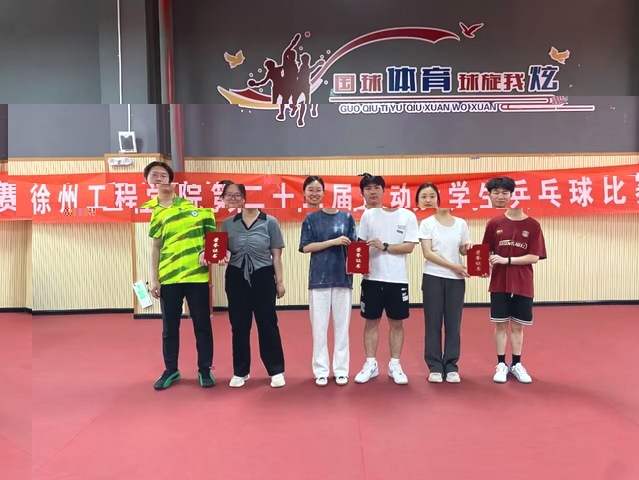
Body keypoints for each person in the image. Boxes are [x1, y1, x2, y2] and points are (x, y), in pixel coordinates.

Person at [141, 161, 216, 390]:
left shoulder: (192, 207)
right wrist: (154, 279)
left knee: (202, 326)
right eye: (155, 175)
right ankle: (171, 369)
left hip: (197, 276)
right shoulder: (155, 212)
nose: (160, 179)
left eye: (164, 175)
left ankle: (205, 369)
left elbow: (211, 238)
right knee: (169, 328)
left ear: (171, 180)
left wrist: (206, 251)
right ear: (148, 181)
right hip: (169, 278)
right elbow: (155, 247)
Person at [218, 183, 287, 388]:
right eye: (236, 196)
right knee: (239, 325)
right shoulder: (228, 223)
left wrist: (280, 282)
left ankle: (276, 370)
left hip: (263, 277)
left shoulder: (270, 222)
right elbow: (224, 250)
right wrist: (221, 256)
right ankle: (241, 371)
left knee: (267, 324)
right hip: (236, 277)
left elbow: (276, 255)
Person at [354, 174, 419, 385]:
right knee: (370, 321)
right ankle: (370, 364)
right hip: (372, 278)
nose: (373, 192)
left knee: (396, 323)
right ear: (363, 193)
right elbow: (360, 246)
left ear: (384, 190)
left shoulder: (407, 216)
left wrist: (385, 246)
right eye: (368, 188)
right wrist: (356, 263)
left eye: (376, 187)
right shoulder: (367, 216)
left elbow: (409, 247)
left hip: (397, 279)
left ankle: (395, 364)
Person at [482, 177, 547, 383]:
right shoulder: (494, 223)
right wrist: (484, 266)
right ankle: (501, 364)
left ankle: (517, 364)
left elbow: (534, 257)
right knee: (500, 325)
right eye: (496, 193)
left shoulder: (533, 225)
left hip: (523, 283)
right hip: (500, 282)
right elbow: (485, 252)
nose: (501, 196)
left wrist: (507, 260)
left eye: (505, 193)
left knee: (518, 326)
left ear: (513, 194)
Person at [299, 176, 357, 386]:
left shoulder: (347, 217)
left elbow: (355, 248)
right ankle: (321, 370)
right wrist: (332, 242)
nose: (315, 193)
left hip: (343, 278)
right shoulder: (311, 219)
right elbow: (306, 247)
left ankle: (341, 370)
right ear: (305, 193)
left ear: (325, 192)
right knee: (319, 329)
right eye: (311, 189)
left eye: (318, 190)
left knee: (342, 328)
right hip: (318, 279)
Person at [416, 183, 471, 383]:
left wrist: (466, 249)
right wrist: (453, 266)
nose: (430, 199)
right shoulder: (427, 223)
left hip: (456, 280)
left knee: (453, 323)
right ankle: (435, 367)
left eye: (433, 195)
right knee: (433, 323)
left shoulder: (461, 223)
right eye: (427, 196)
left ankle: (451, 365)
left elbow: (462, 249)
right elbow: (428, 253)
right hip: (433, 277)